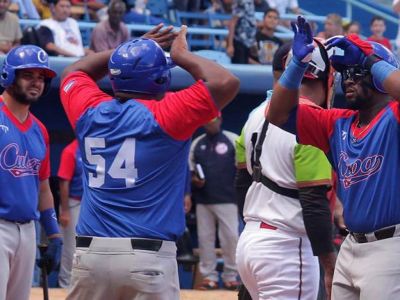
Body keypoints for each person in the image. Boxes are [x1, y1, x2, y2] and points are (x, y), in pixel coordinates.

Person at [59, 23, 239, 300]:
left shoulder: (89, 110)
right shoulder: (168, 112)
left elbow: (73, 72)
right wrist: (181, 56)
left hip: (90, 255)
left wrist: (122, 53)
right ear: (159, 79)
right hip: (146, 257)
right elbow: (226, 82)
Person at [267, 15, 400, 299]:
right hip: (350, 246)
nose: (347, 79)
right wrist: (297, 65)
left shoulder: (394, 117)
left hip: (392, 248)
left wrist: (369, 60)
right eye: (344, 73)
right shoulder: (337, 122)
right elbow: (276, 114)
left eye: (356, 72)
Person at [236, 37, 336, 300]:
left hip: (251, 237)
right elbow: (313, 201)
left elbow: (241, 184)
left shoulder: (255, 114)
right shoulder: (313, 121)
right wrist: (329, 264)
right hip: (287, 245)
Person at [0, 45, 62, 300]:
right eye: (28, 75)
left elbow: (43, 186)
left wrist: (54, 233)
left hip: (28, 229)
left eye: (41, 78)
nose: (36, 83)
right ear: (9, 76)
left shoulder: (40, 130)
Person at [190, 116, 240, 290]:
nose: (210, 123)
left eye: (214, 120)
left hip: (228, 198)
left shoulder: (232, 139)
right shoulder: (197, 143)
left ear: (220, 119)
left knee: (231, 239)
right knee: (205, 239)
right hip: (204, 200)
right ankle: (209, 277)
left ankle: (231, 276)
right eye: (207, 120)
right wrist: (195, 180)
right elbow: (190, 169)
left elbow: (242, 168)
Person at [57, 139, 82, 288]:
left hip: (90, 205)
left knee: (86, 250)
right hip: (72, 203)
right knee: (71, 249)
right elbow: (63, 182)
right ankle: (64, 285)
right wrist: (65, 211)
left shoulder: (95, 146)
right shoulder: (71, 150)